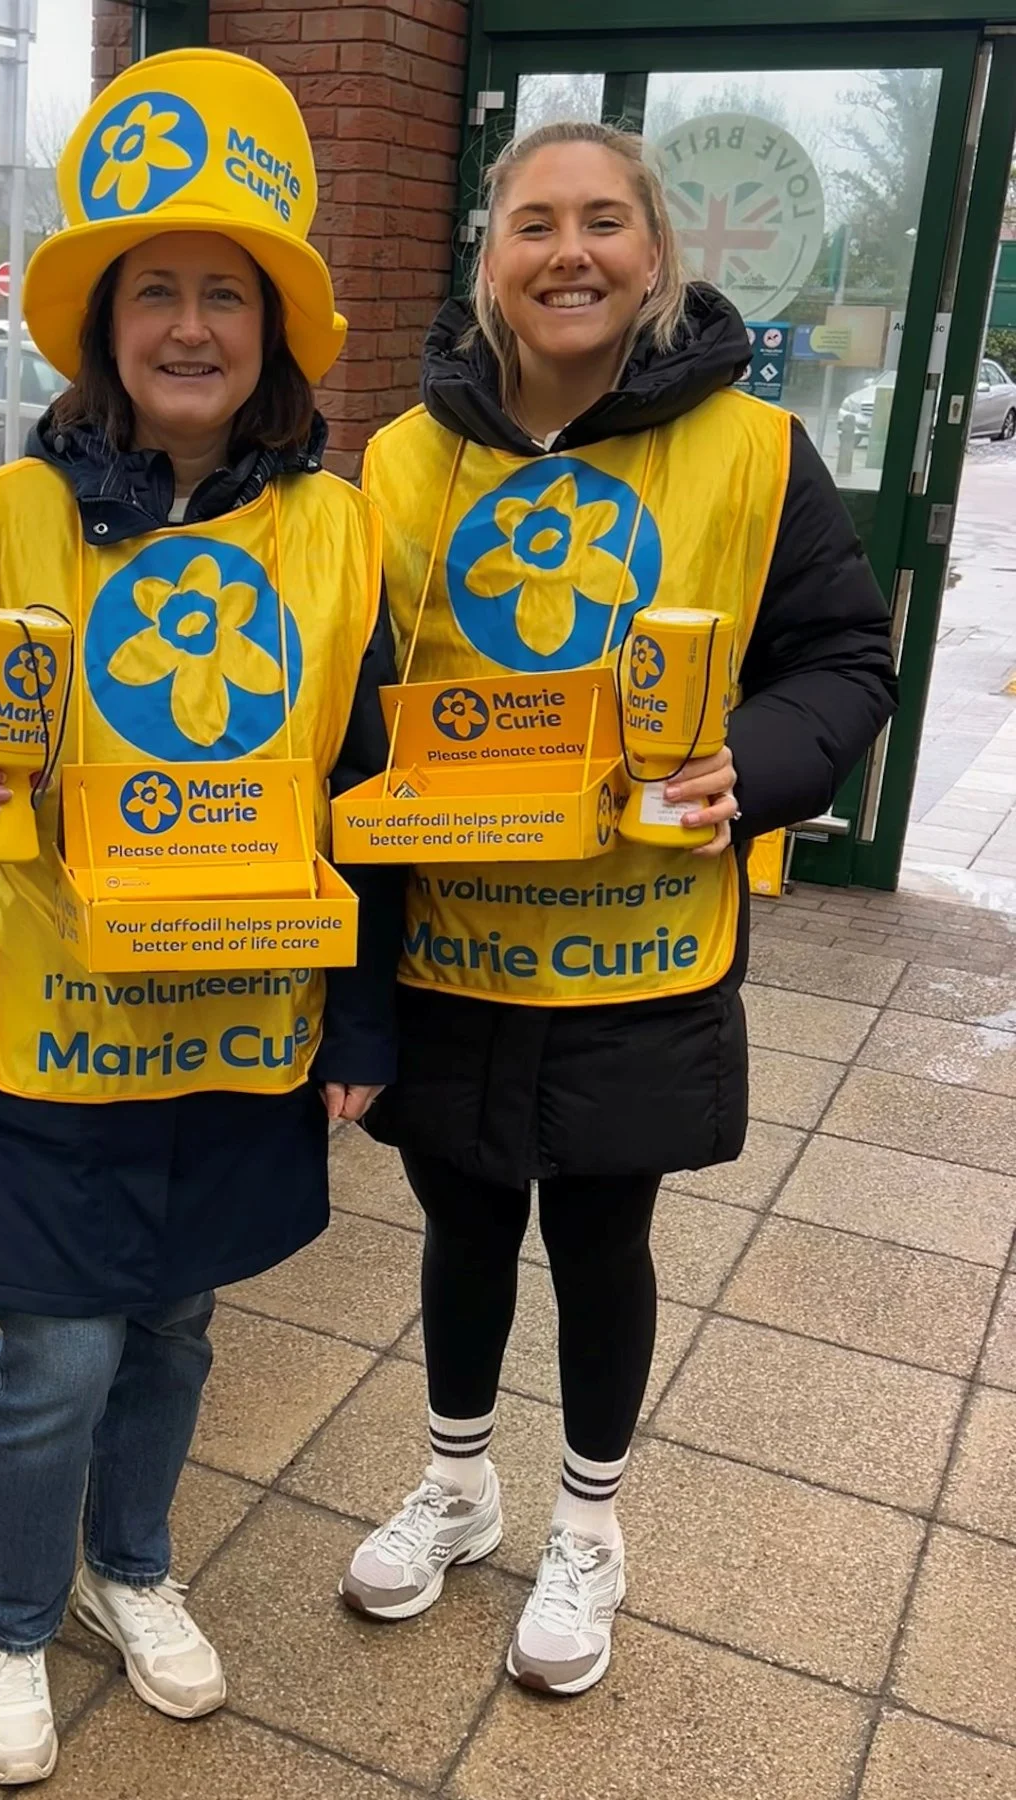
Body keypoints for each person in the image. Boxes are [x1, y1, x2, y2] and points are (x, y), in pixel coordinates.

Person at [0, 49, 398, 1786]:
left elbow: (371, 792)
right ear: (103, 329)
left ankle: (131, 1568)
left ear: (273, 332)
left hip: (242, 1018)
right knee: (55, 1345)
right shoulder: (3, 517)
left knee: (176, 1320)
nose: (189, 326)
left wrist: (363, 1026)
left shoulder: (341, 540)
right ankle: (10, 1624)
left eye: (223, 297)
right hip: (48, 1004)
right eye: (152, 292)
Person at [339, 121, 897, 1697]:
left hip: (638, 946)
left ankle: (590, 1524)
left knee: (599, 1229)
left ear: (655, 254)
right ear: (490, 261)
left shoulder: (751, 450)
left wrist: (754, 766)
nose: (568, 252)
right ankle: (458, 1484)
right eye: (534, 225)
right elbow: (356, 693)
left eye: (602, 223)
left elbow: (845, 662)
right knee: (458, 1218)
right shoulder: (401, 463)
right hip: (457, 940)